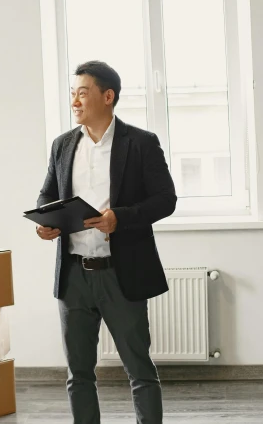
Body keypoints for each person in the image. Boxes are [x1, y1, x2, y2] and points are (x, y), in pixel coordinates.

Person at [35, 61, 177, 423]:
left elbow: (165, 199)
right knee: (78, 374)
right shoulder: (63, 145)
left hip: (121, 273)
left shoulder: (141, 143)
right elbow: (47, 195)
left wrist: (120, 218)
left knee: (140, 371)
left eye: (83, 93)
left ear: (107, 96)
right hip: (73, 276)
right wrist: (45, 222)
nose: (75, 101)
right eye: (73, 94)